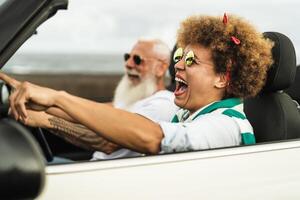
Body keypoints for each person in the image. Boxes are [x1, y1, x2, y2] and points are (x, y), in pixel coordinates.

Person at [1, 14, 273, 155]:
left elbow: (153, 137)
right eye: (179, 56)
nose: (177, 65)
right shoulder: (186, 114)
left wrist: (57, 98)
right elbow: (112, 118)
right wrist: (43, 104)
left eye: (191, 60)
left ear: (223, 77)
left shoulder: (226, 125)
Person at [1, 39, 179, 160]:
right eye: (128, 57)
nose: (129, 64)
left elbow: (107, 143)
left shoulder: (162, 104)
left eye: (138, 60)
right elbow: (83, 113)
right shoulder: (130, 101)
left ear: (161, 68)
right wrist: (38, 104)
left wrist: (45, 120)